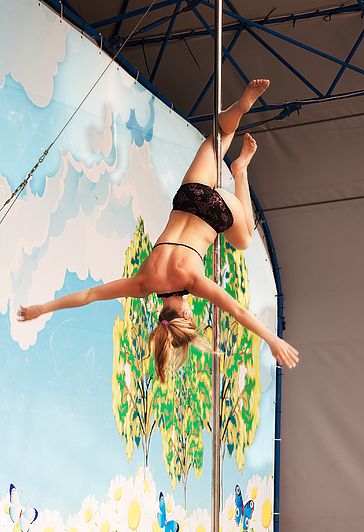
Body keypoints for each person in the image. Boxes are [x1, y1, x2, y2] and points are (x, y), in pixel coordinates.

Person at [18, 79, 299, 381]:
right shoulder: (144, 283)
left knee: (244, 241)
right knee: (219, 135)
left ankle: (240, 173)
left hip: (214, 211)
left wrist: (274, 340)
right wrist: (43, 307)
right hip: (189, 196)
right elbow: (89, 294)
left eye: (191, 318)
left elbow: (239, 313)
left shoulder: (192, 280)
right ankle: (241, 108)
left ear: (186, 316)